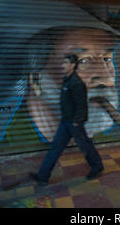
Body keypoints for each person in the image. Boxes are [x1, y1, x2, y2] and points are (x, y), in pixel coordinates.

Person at [26, 26, 120, 143]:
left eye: (107, 59)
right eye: (82, 61)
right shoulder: (17, 143)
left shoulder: (104, 142)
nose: (106, 78)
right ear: (37, 76)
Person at [29, 54, 104, 185]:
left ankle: (97, 167)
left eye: (65, 63)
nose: (62, 65)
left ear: (72, 65)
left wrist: (77, 121)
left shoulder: (76, 83)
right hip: (65, 122)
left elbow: (81, 104)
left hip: (74, 123)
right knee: (55, 149)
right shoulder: (67, 80)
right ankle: (42, 176)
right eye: (62, 62)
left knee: (85, 146)